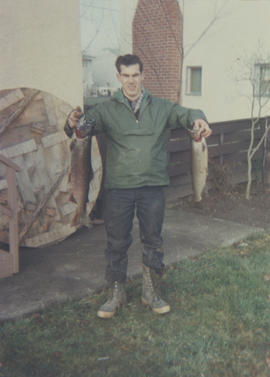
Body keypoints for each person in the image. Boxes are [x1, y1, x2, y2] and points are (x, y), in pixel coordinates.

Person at [64, 54, 212, 319]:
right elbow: (81, 128)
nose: (131, 81)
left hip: (152, 187)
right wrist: (72, 122)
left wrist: (199, 119)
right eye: (126, 75)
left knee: (153, 241)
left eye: (136, 75)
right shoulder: (106, 109)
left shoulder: (162, 108)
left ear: (142, 76)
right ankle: (116, 293)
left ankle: (151, 291)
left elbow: (187, 114)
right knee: (116, 242)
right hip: (118, 189)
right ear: (118, 77)